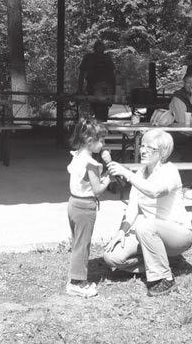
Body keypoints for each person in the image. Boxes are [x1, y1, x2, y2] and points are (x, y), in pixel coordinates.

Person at [103, 129, 192, 296]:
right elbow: (132, 207)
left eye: (149, 147)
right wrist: (121, 231)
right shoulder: (141, 173)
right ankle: (160, 263)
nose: (142, 150)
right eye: (142, 145)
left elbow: (154, 191)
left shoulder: (170, 171)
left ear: (162, 152)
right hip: (149, 232)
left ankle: (164, 279)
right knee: (111, 257)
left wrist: (126, 173)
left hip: (178, 234)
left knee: (144, 225)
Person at [66, 117, 112, 298]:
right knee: (82, 245)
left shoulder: (78, 155)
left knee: (78, 242)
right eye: (102, 141)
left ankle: (76, 278)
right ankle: (76, 283)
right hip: (85, 207)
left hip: (73, 204)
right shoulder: (92, 165)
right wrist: (108, 177)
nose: (103, 144)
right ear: (90, 141)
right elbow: (98, 190)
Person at [77, 40, 116, 121]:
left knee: (102, 115)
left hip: (106, 90)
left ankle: (101, 129)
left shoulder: (107, 58)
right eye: (99, 48)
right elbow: (82, 73)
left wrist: (114, 92)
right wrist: (80, 89)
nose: (100, 50)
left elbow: (112, 76)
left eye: (102, 48)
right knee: (92, 113)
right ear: (94, 48)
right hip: (92, 89)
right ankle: (93, 129)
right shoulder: (89, 57)